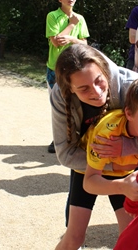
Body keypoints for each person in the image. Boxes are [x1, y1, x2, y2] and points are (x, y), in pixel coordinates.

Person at [50, 43, 138, 249]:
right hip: (90, 163)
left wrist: (128, 148)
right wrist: (116, 165)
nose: (97, 92)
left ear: (103, 71)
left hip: (129, 166)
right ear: (70, 88)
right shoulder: (62, 98)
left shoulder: (133, 86)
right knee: (74, 237)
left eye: (99, 81)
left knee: (133, 235)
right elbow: (66, 154)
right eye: (83, 88)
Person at [80, 74, 138, 240]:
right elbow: (89, 183)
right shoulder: (107, 133)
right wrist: (123, 186)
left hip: (127, 172)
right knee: (74, 238)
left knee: (133, 235)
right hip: (89, 170)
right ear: (129, 113)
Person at [46, 0, 89, 153]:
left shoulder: (80, 18)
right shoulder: (52, 16)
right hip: (55, 69)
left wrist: (72, 39)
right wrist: (71, 24)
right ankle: (58, 139)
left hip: (74, 68)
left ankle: (77, 137)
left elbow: (84, 43)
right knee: (58, 104)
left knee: (76, 103)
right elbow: (56, 41)